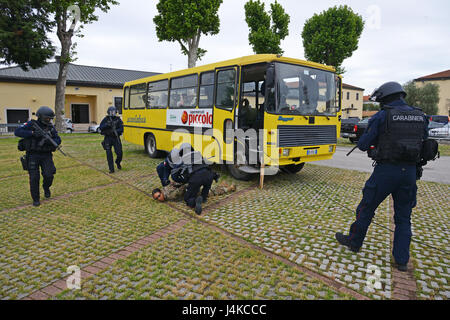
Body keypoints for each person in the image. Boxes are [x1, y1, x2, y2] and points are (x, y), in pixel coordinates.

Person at [335, 81, 429, 272]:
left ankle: (354, 242)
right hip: (410, 173)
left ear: (385, 98)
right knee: (404, 217)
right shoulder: (421, 116)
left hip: (386, 171)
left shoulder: (383, 115)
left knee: (366, 208)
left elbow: (363, 144)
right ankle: (401, 260)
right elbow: (425, 143)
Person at [15, 106, 61, 206]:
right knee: (34, 178)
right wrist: (31, 133)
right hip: (33, 155)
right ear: (40, 117)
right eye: (47, 118)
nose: (49, 120)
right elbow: (17, 131)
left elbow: (58, 139)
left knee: (49, 175)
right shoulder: (31, 124)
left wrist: (50, 141)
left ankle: (46, 187)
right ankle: (36, 198)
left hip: (46, 155)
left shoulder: (51, 127)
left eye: (50, 118)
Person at [99, 106, 123, 173]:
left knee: (119, 153)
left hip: (116, 138)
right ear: (108, 112)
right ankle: (111, 169)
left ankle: (118, 162)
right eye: (111, 112)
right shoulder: (106, 119)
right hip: (108, 138)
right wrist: (107, 125)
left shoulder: (118, 119)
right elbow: (101, 127)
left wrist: (116, 132)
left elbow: (121, 129)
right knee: (109, 154)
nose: (112, 113)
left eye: (113, 112)